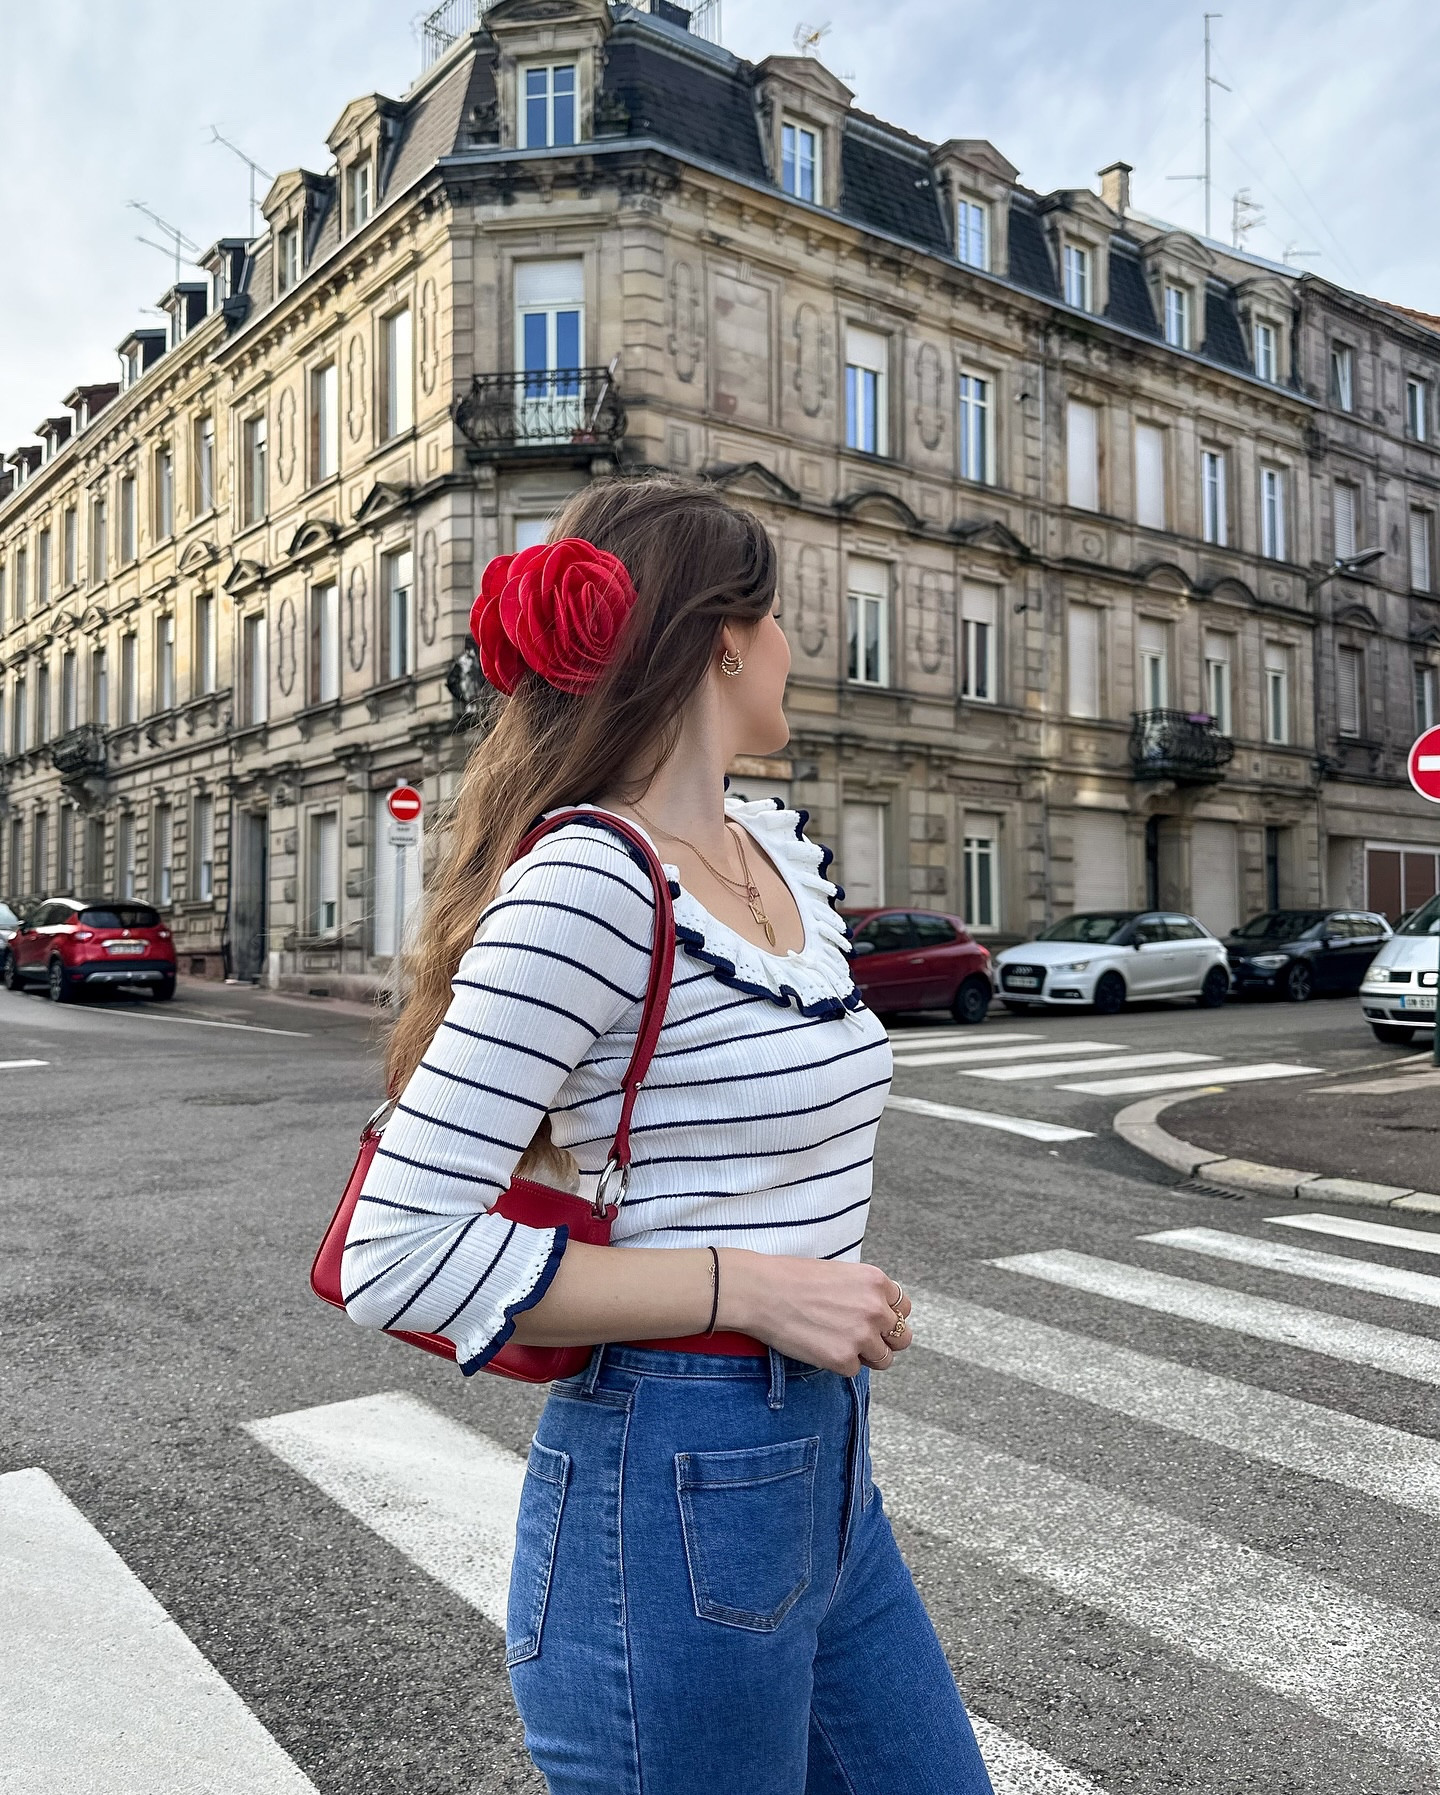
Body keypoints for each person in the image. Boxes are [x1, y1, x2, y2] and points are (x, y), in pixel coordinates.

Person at [342, 474, 994, 1795]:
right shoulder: (591, 878)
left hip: (821, 1470)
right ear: (721, 641)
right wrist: (752, 1287)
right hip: (669, 1479)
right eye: (782, 618)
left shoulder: (769, 851)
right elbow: (392, 1254)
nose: (800, 648)